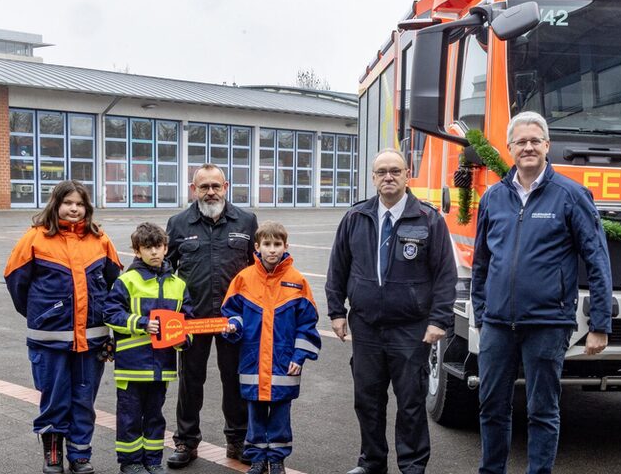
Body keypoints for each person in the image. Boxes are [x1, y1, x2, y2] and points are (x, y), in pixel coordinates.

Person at [472, 111, 613, 474]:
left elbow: (597, 260)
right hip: (497, 323)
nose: (529, 147)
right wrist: (481, 313)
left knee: (542, 410)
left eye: (535, 141)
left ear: (548, 146)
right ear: (510, 148)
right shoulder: (493, 198)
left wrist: (600, 324)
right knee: (491, 406)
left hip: (548, 323)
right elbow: (481, 262)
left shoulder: (571, 195)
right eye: (521, 142)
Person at [326, 148, 457, 474]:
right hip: (366, 327)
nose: (388, 177)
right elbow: (338, 267)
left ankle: (412, 466)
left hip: (411, 329)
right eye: (382, 171)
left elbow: (445, 274)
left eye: (395, 171)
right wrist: (336, 312)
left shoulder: (428, 219)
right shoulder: (355, 217)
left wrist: (439, 320)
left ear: (406, 175)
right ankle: (371, 463)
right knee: (367, 400)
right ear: (373, 177)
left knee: (411, 402)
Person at [4, 180, 123, 474]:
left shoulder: (100, 240)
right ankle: (53, 453)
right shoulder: (34, 239)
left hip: (92, 341)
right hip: (49, 340)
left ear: (87, 208)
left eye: (80, 204)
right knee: (54, 398)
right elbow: (16, 283)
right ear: (55, 204)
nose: (74, 208)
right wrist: (41, 314)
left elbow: (117, 286)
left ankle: (80, 454)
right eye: (68, 203)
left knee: (84, 400)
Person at [165, 164, 259, 468]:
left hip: (234, 320)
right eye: (203, 187)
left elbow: (257, 269)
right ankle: (186, 441)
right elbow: (164, 270)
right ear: (194, 189)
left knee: (235, 379)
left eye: (215, 186)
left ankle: (238, 440)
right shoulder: (178, 224)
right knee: (190, 381)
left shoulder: (246, 221)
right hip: (193, 319)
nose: (210, 192)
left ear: (226, 187)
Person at [221, 221, 322, 474]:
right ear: (257, 247)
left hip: (284, 362)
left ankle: (277, 459)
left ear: (286, 246)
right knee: (254, 413)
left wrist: (299, 356)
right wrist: (233, 325)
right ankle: (257, 458)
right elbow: (231, 312)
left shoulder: (297, 281)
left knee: (280, 413)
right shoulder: (244, 279)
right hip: (253, 361)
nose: (272, 249)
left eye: (277, 244)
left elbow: (307, 324)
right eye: (267, 244)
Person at [104, 222, 193, 474]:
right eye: (147, 247)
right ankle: (130, 462)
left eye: (158, 246)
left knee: (155, 416)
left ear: (166, 248)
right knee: (129, 417)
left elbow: (188, 321)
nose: (154, 252)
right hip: (131, 366)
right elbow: (110, 313)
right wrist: (142, 323)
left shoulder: (178, 284)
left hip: (161, 367)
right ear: (137, 250)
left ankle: (153, 460)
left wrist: (183, 340)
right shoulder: (127, 281)